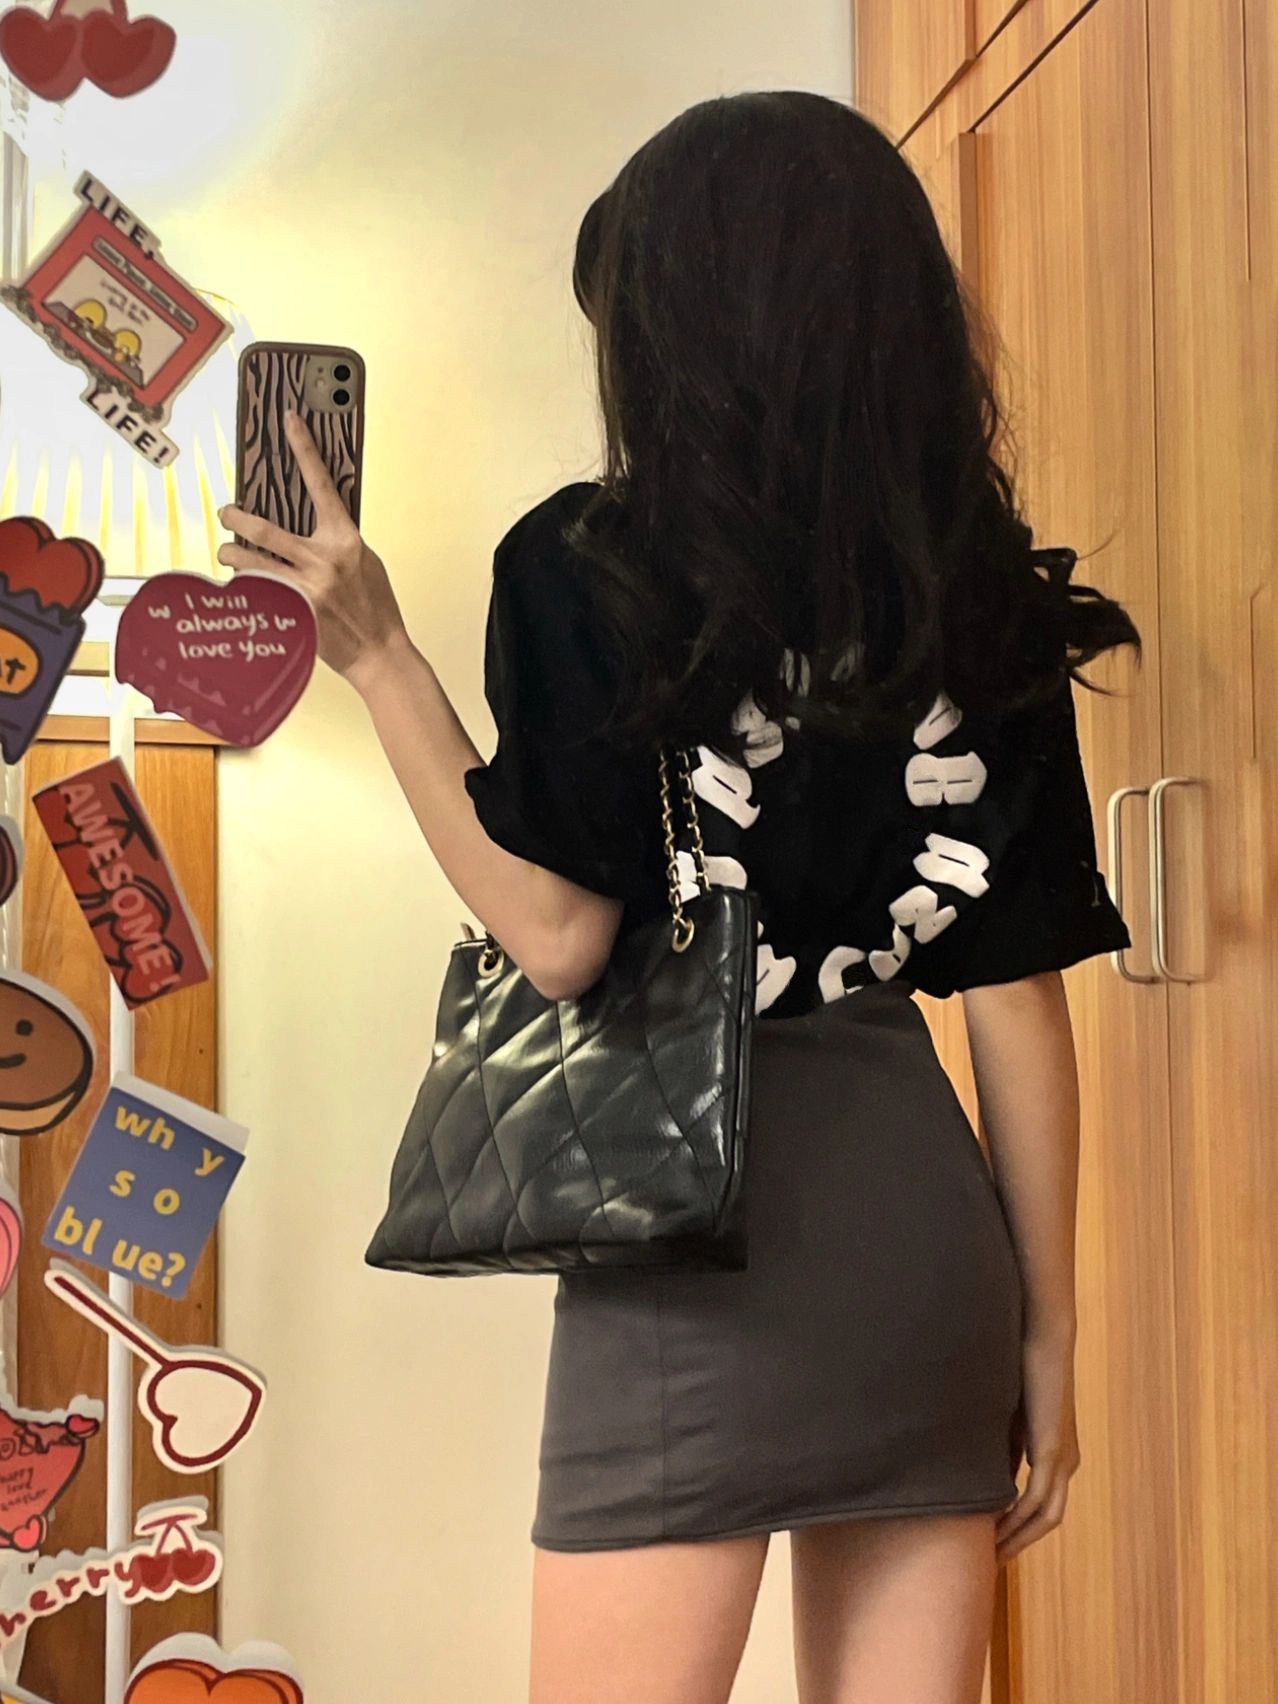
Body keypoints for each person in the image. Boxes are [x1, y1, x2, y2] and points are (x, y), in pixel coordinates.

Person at [218, 89, 1141, 1704]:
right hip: (921, 1251)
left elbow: (558, 938)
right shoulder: (973, 591)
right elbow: (1016, 995)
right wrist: (1047, 1341)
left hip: (690, 1250)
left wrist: (380, 659)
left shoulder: (584, 565)